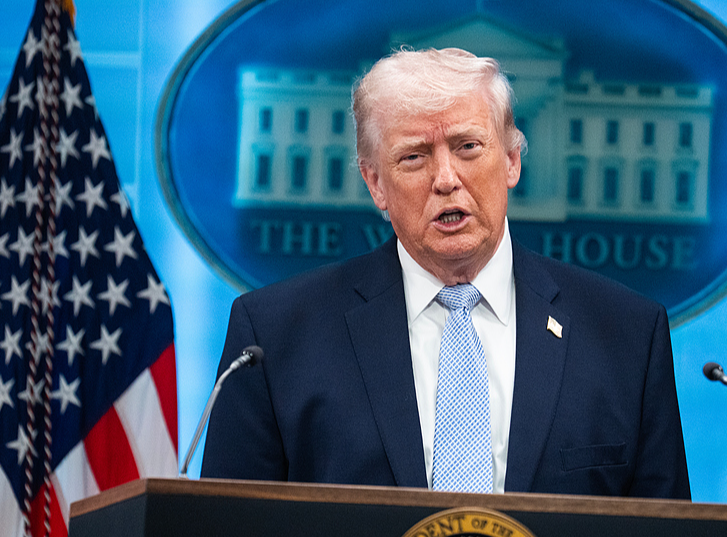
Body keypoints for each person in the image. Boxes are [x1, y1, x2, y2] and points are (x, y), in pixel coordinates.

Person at [201, 47, 690, 498]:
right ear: (375, 184)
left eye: (468, 147)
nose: (446, 179)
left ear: (512, 161)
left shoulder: (626, 336)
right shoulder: (273, 339)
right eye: (414, 156)